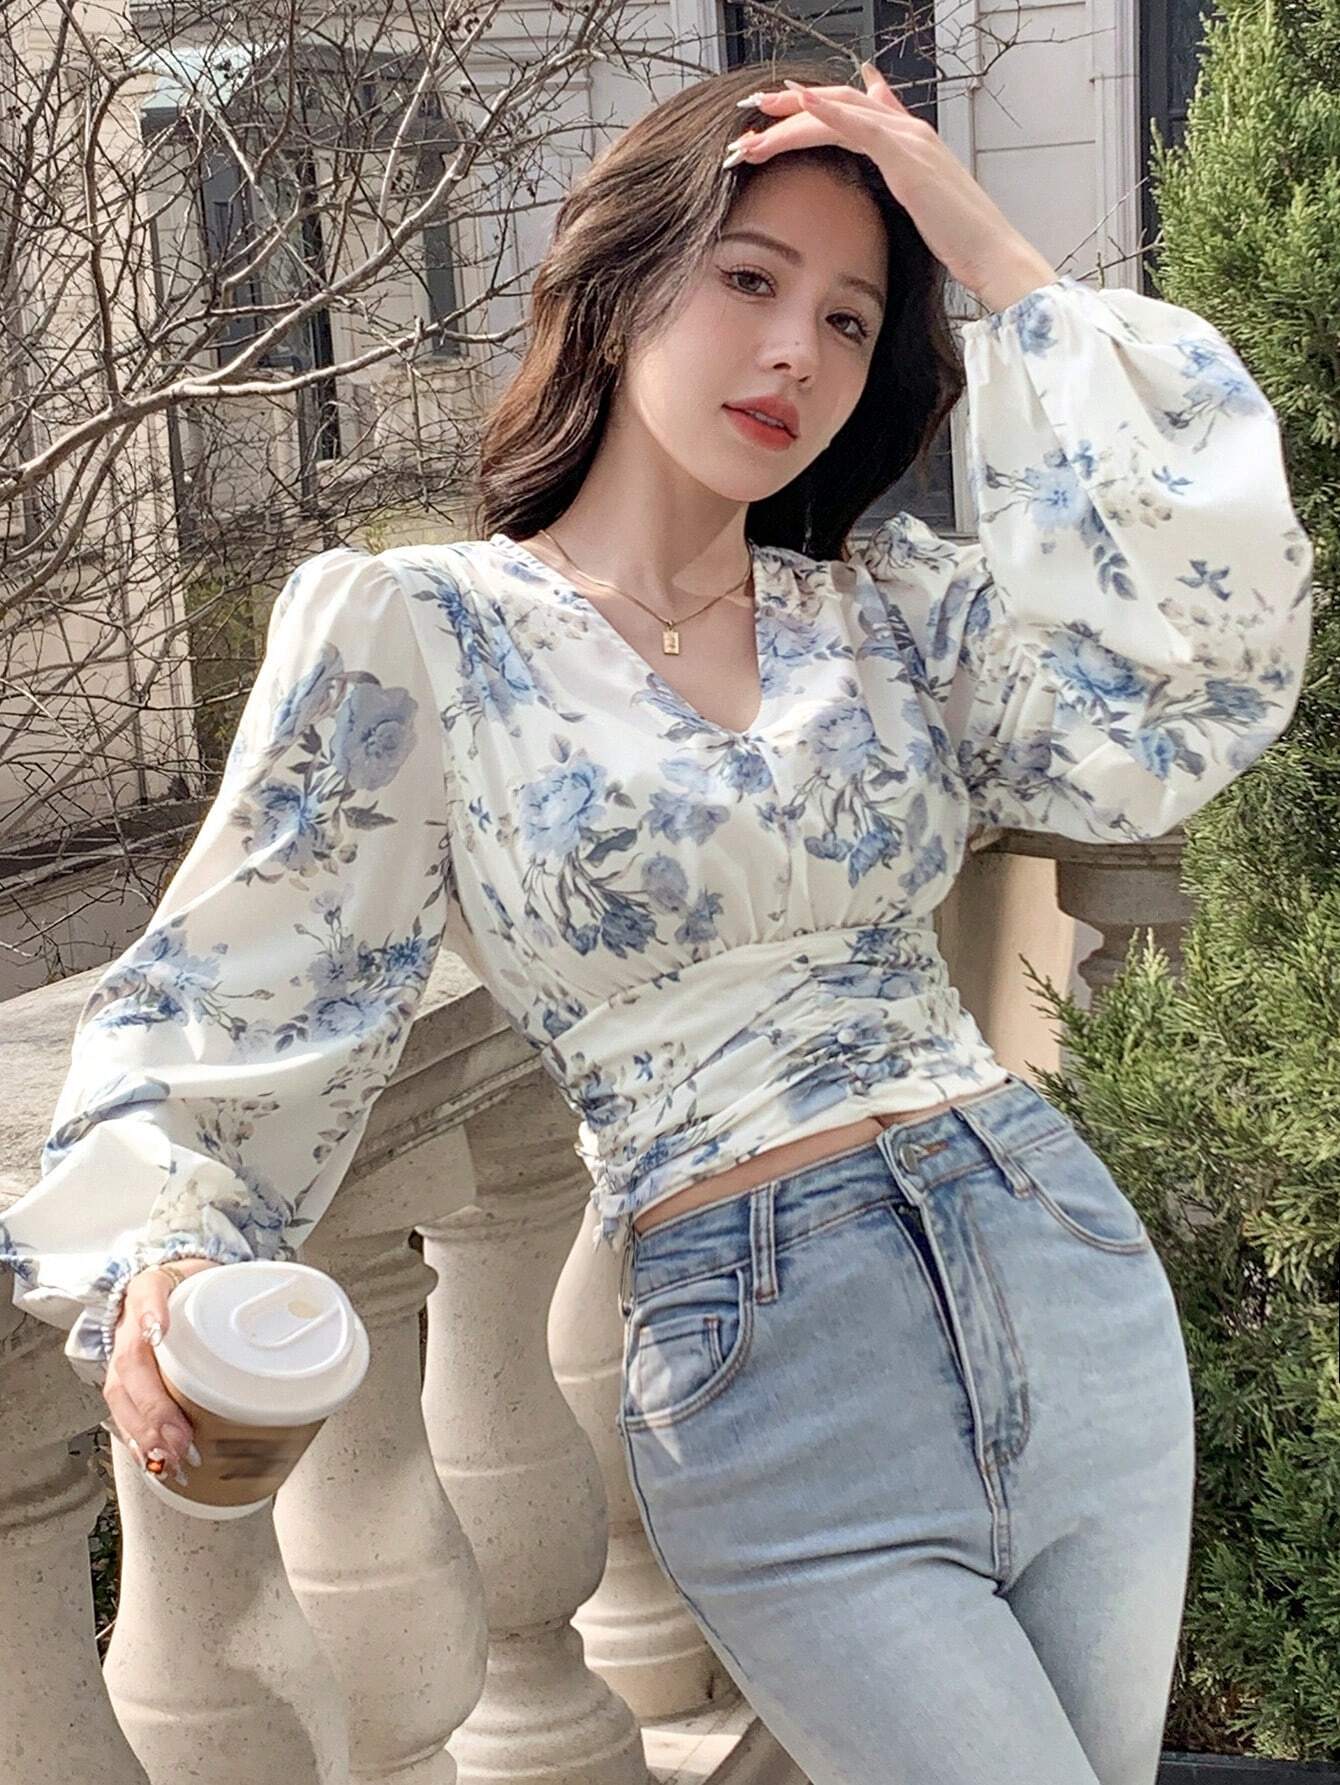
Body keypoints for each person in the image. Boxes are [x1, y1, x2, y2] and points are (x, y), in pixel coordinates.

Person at [2, 56, 1314, 1785]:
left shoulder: (896, 617)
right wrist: (162, 1245)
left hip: (1061, 1273)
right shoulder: (423, 632)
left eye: (849, 320)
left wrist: (984, 244)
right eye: (749, 278)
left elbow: (1197, 655)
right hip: (762, 1360)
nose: (796, 353)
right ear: (620, 286)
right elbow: (232, 984)